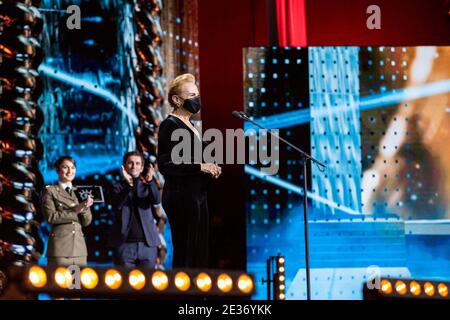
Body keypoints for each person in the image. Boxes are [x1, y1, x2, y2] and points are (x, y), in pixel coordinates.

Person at [157, 73, 221, 269]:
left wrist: (210, 166)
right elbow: (166, 163)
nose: (196, 99)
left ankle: (198, 295)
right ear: (176, 100)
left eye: (197, 94)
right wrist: (200, 166)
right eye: (191, 95)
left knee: (199, 251)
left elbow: (193, 158)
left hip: (198, 194)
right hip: (181, 196)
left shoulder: (191, 125)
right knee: (186, 251)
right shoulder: (170, 125)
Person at [109, 151, 161, 268]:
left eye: (138, 163)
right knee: (124, 284)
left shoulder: (147, 186)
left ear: (142, 167)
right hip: (124, 244)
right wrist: (129, 185)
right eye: (130, 163)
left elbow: (156, 200)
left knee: (148, 284)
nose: (134, 166)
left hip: (147, 245)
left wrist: (150, 181)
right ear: (124, 165)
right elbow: (117, 204)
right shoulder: (116, 187)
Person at [41, 156, 93, 266]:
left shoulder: (79, 192)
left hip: (79, 250)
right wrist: (76, 211)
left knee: (77, 283)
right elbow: (51, 217)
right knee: (60, 283)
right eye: (65, 167)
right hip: (60, 249)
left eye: (73, 167)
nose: (70, 171)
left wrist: (85, 208)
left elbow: (86, 222)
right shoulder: (50, 191)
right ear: (57, 170)